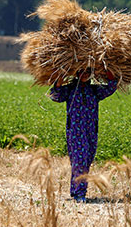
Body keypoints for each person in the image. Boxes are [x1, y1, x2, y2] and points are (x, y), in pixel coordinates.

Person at [49, 68, 118, 203]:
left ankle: (75, 191)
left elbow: (111, 87)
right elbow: (55, 95)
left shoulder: (94, 90)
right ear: (76, 73)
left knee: (86, 160)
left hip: (91, 130)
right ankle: (80, 193)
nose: (85, 75)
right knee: (80, 159)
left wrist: (107, 69)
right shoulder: (69, 90)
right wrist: (59, 78)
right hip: (75, 130)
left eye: (88, 72)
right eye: (82, 72)